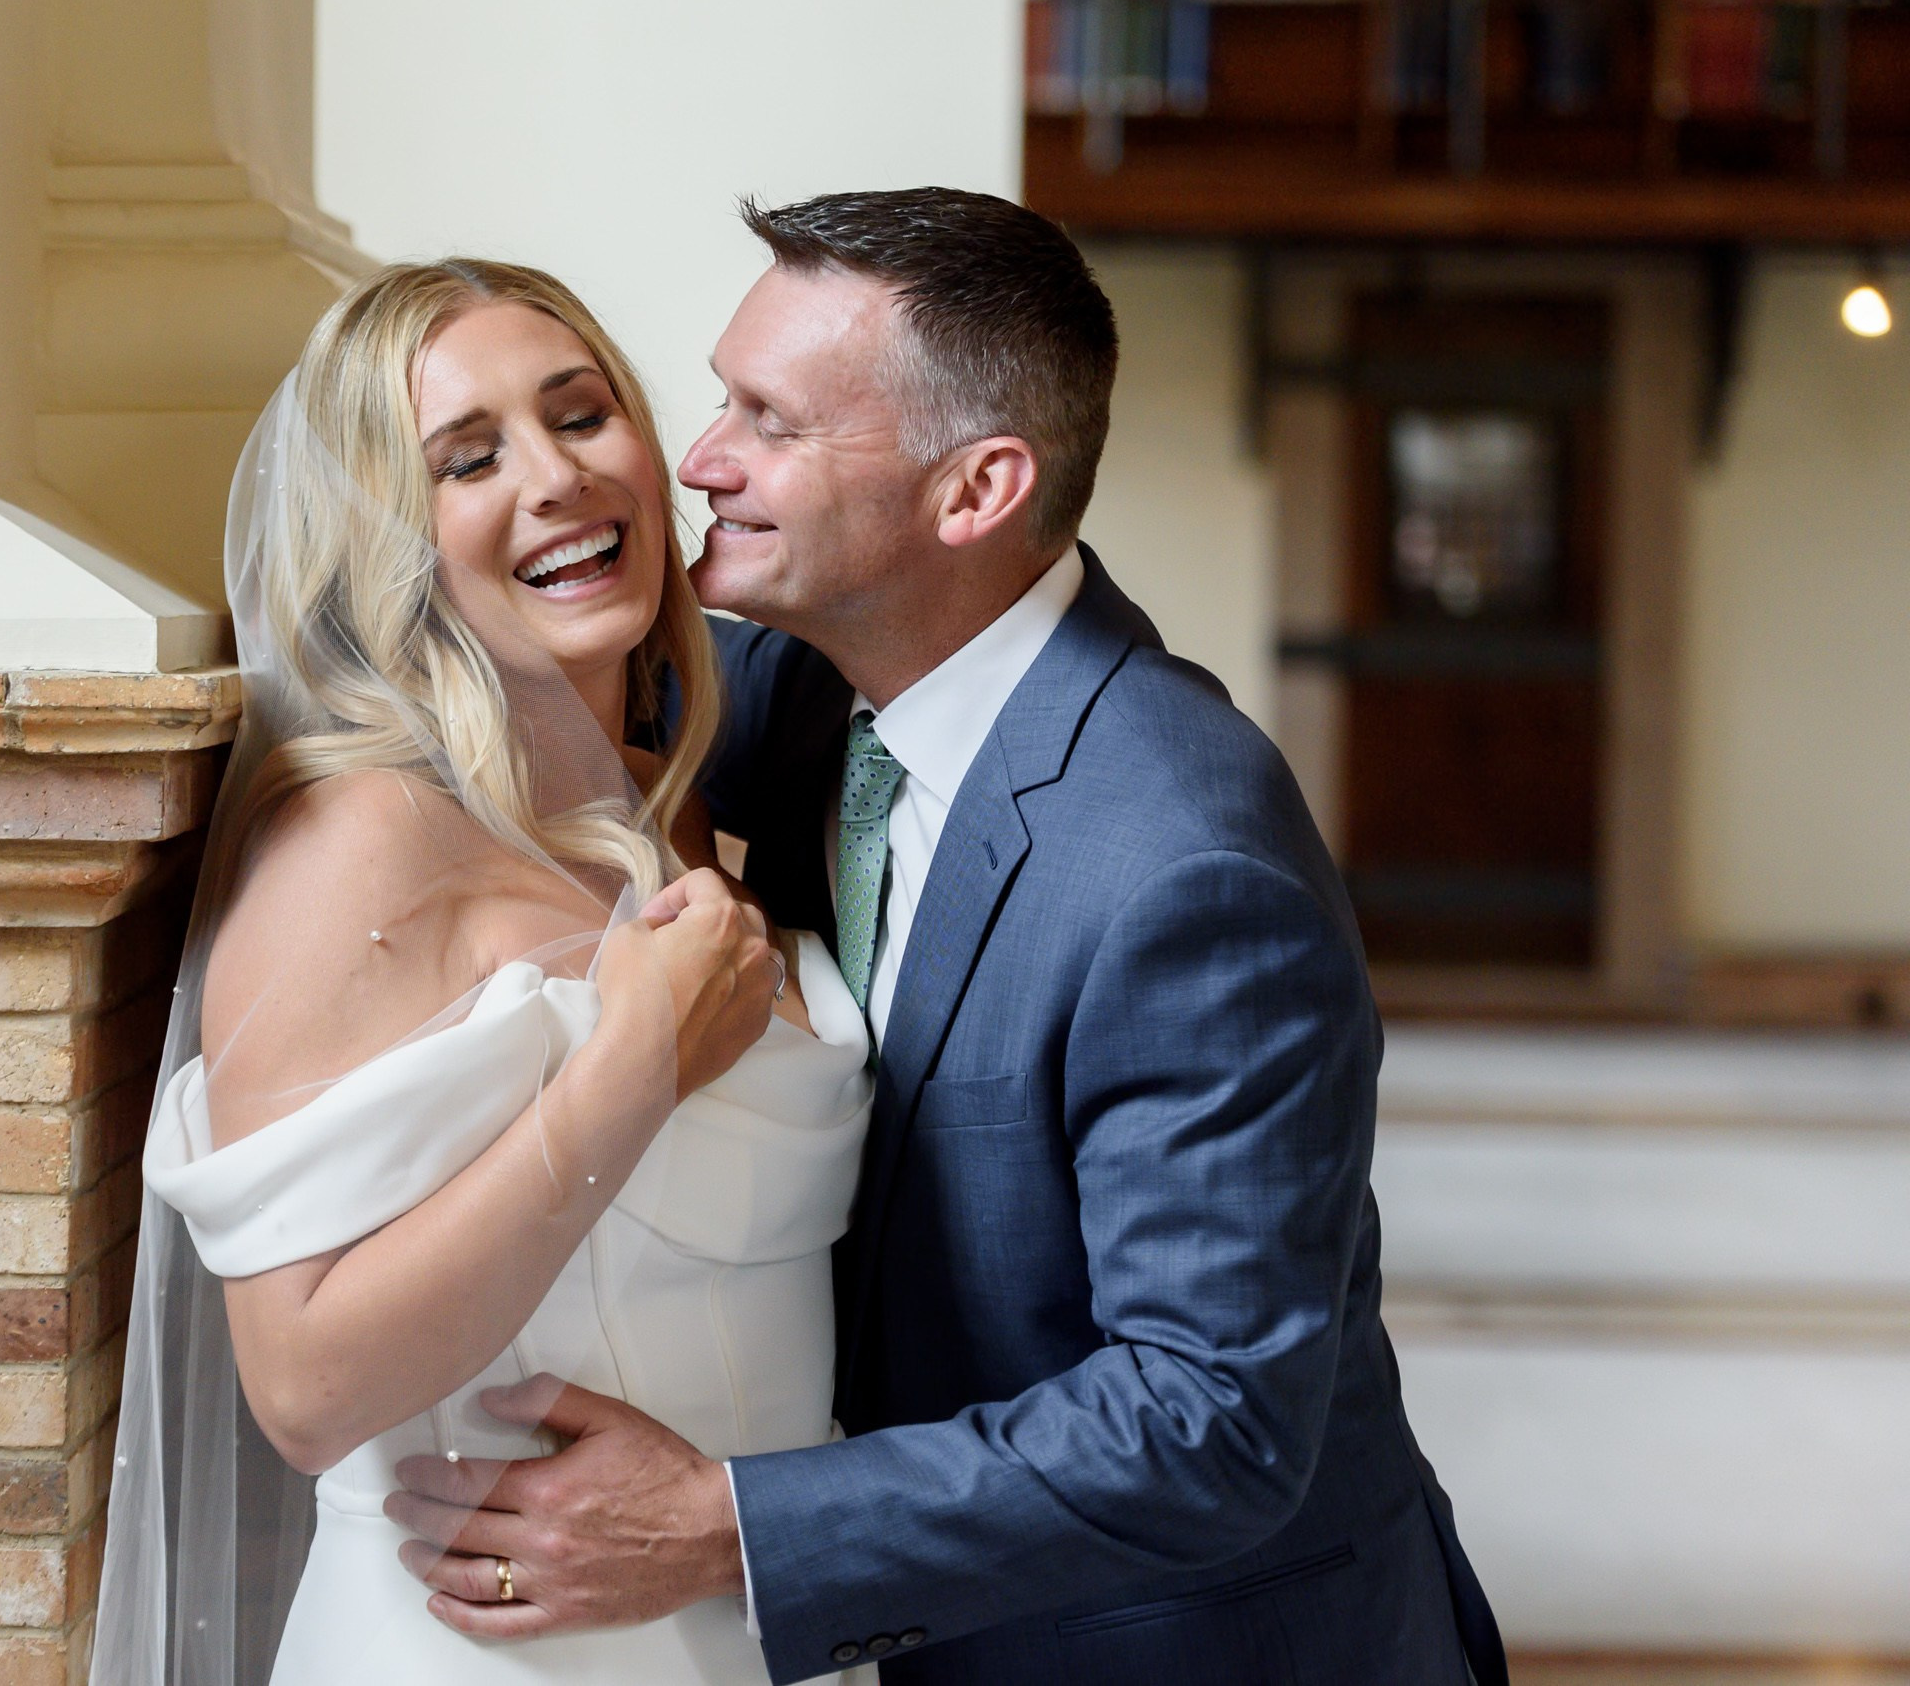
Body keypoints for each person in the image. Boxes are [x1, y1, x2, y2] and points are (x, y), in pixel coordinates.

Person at [388, 189, 1509, 1685]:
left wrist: (726, 1526)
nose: (701, 462)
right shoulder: (809, 689)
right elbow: (549, 667)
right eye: (719, 398)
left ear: (973, 492)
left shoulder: (1184, 865)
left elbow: (1213, 1422)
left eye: (771, 423)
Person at [90, 257, 877, 1686]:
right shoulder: (359, 844)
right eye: (469, 459)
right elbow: (307, 1390)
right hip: (486, 1649)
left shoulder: (681, 802)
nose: (556, 477)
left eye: (581, 418)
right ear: (387, 535)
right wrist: (631, 1070)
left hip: (754, 1617)